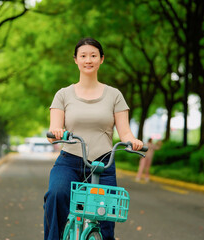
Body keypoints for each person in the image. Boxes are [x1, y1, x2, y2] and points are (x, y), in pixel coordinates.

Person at [44, 37, 144, 240]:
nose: (88, 60)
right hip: (69, 162)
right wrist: (56, 131)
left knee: (106, 216)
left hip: (103, 164)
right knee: (56, 194)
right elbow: (54, 127)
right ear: (76, 60)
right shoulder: (63, 95)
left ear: (101, 59)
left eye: (93, 55)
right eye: (83, 56)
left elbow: (124, 132)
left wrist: (134, 141)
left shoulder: (114, 95)